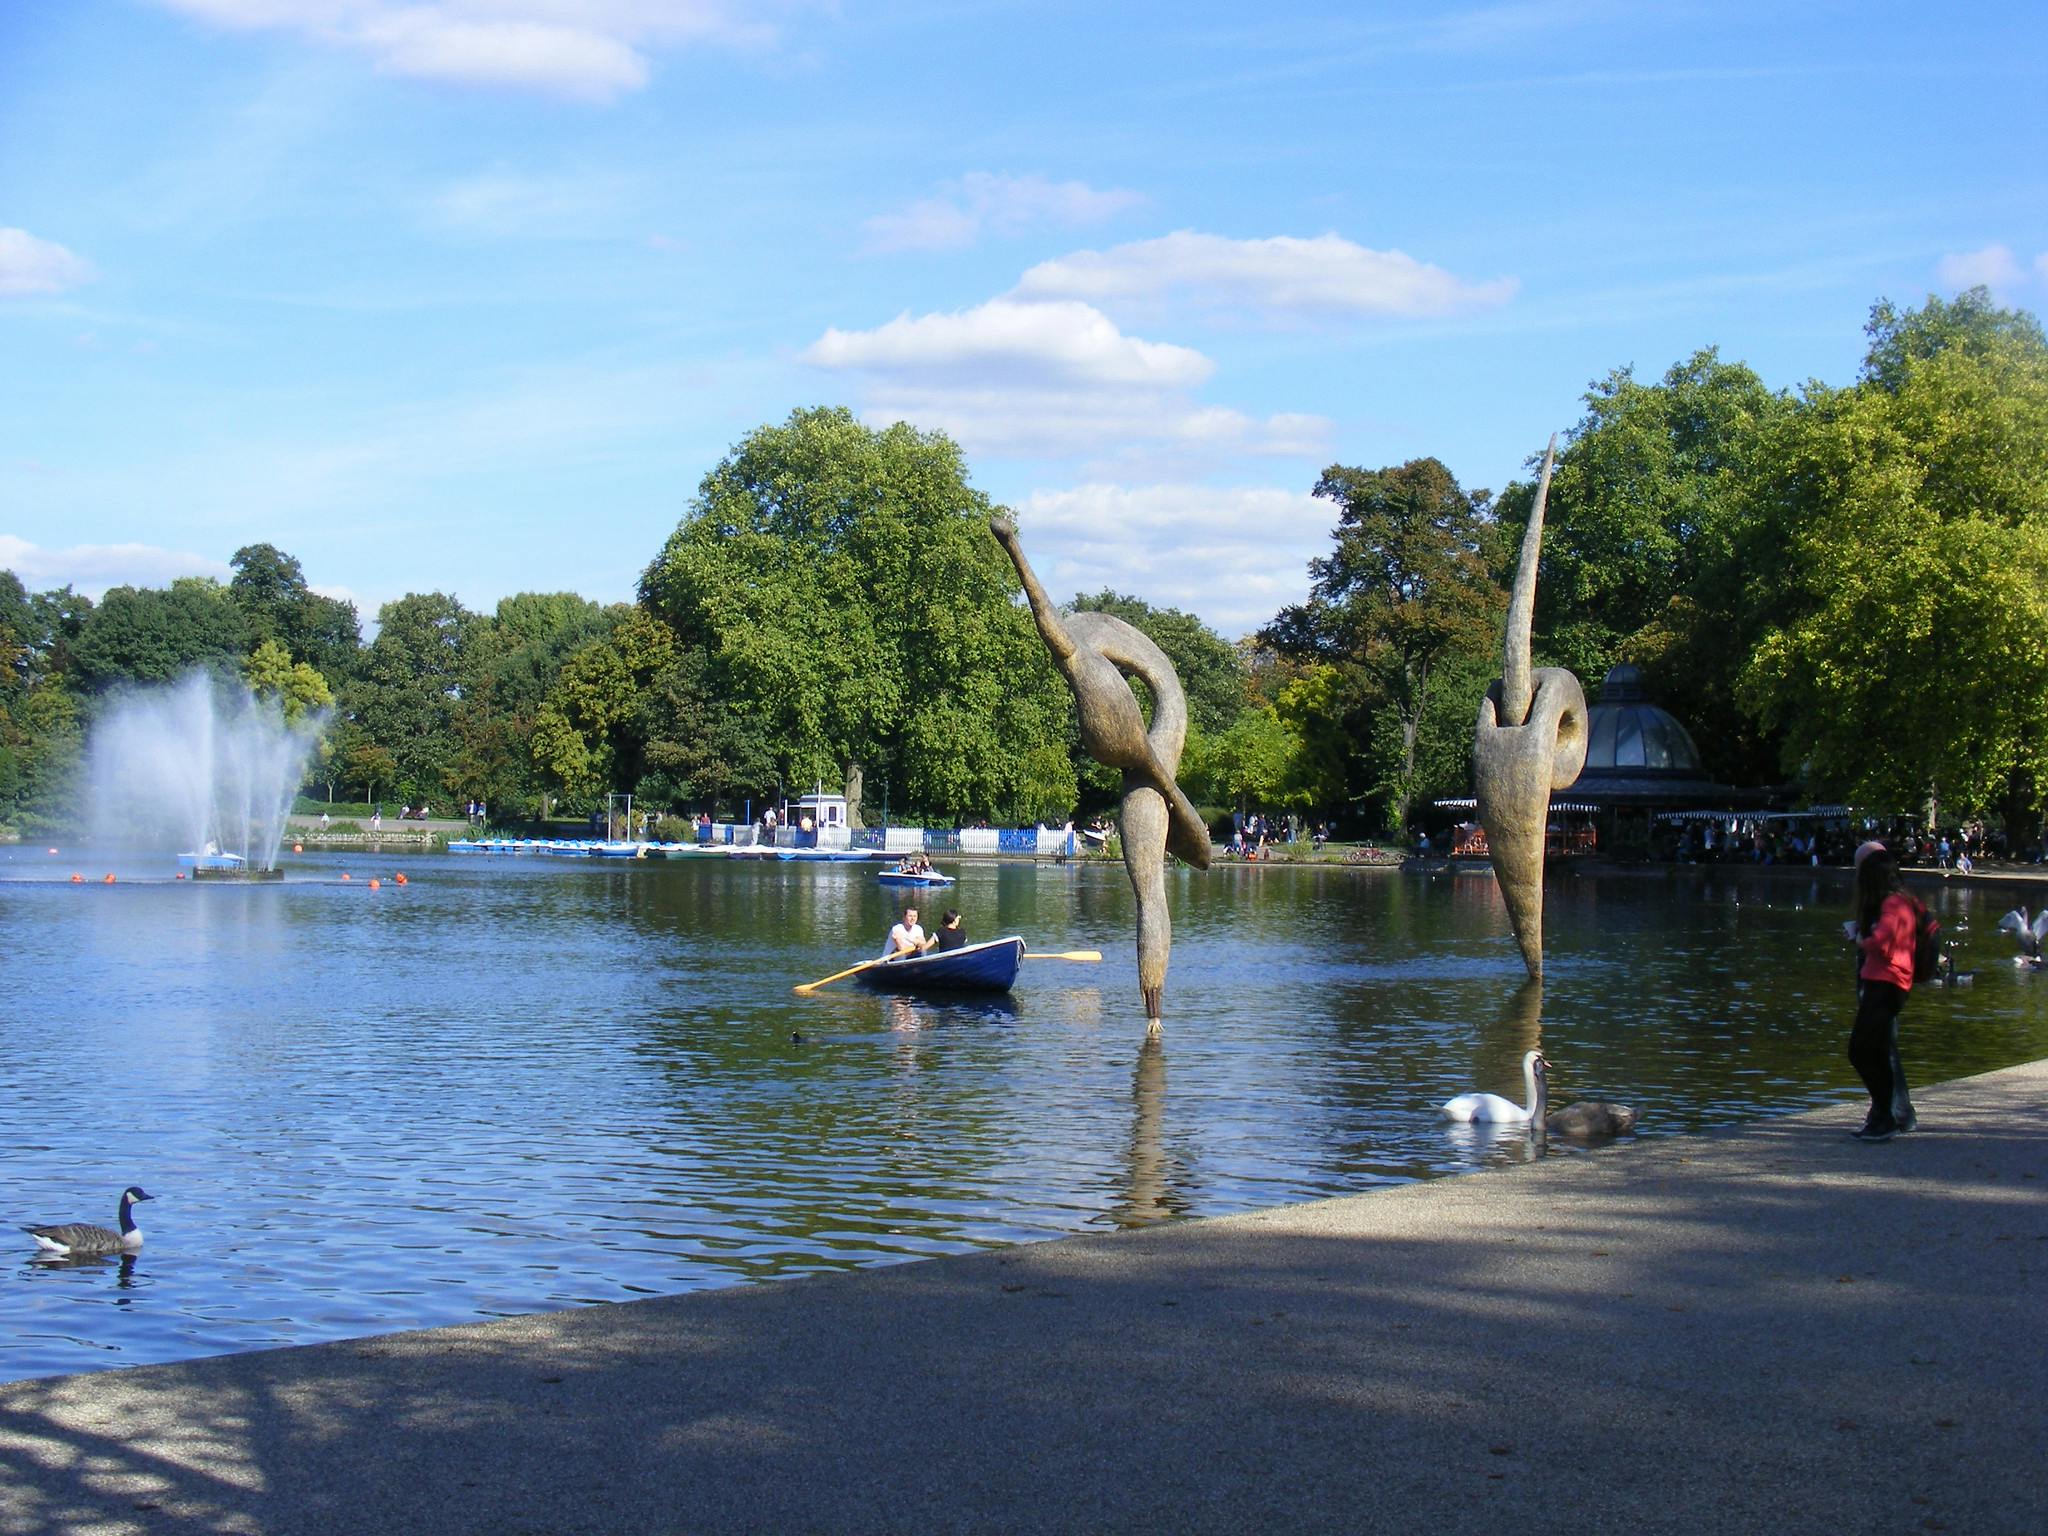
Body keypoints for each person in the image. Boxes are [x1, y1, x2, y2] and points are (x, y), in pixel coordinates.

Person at [1844, 841, 1920, 1141]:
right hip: (1885, 980)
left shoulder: (1892, 903)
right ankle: (1885, 1113)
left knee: (1864, 1050)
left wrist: (1862, 939)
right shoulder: (1897, 901)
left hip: (1886, 982)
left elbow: (1883, 941)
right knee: (1874, 1049)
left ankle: (1887, 1114)